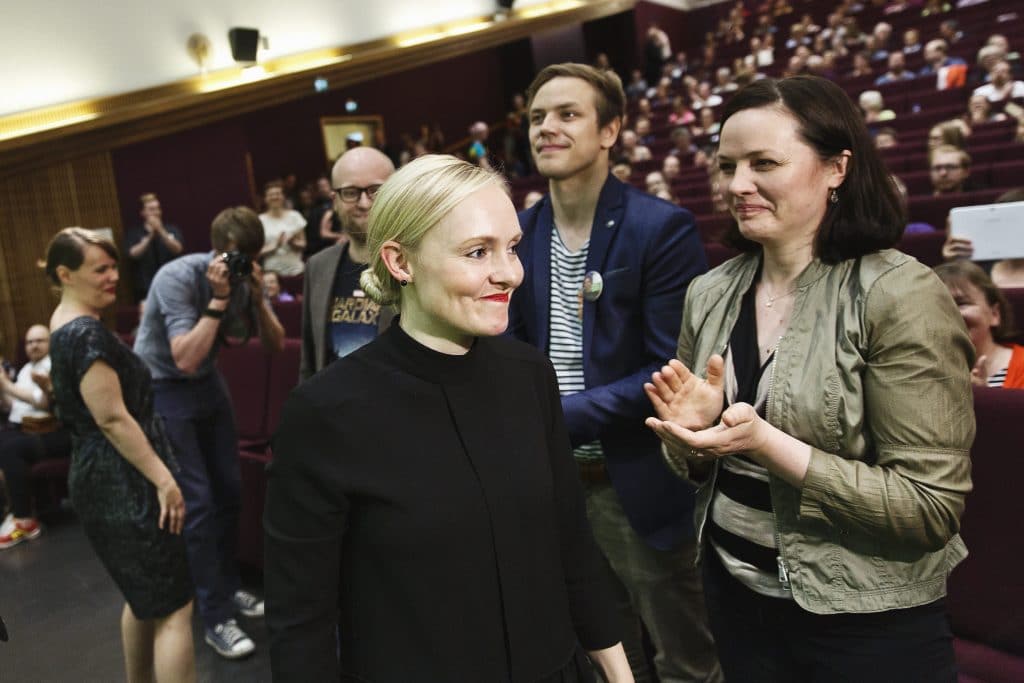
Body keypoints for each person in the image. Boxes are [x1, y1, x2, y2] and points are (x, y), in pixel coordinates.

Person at [644, 75, 973, 681]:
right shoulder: (710, 291)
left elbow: (929, 507)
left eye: (764, 163)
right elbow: (691, 464)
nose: (737, 185)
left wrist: (765, 443)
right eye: (728, 166)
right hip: (734, 592)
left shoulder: (899, 293)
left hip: (864, 618)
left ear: (836, 168)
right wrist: (689, 441)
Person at [265, 154, 633, 682]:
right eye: (477, 252)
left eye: (512, 247)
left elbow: (570, 538)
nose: (509, 273)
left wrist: (616, 668)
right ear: (400, 262)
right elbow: (302, 621)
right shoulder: (326, 413)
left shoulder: (529, 374)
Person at [511, 63, 720, 683]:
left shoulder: (659, 227)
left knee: (685, 661)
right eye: (537, 117)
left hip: (636, 481)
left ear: (609, 131)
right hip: (553, 485)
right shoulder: (519, 233)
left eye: (567, 114)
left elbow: (670, 366)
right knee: (606, 660)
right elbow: (514, 352)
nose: (546, 128)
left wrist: (558, 416)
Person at [44, 228, 195, 681]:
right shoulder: (85, 332)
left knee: (143, 598)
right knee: (174, 608)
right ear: (65, 274)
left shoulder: (62, 322)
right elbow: (112, 419)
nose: (113, 276)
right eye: (100, 270)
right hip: (125, 478)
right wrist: (164, 480)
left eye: (113, 267)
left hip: (100, 473)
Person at [134, 207, 284, 659]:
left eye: (249, 258)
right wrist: (218, 299)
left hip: (207, 385)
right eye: (235, 257)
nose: (240, 265)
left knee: (230, 491)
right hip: (165, 386)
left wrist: (256, 297)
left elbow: (275, 345)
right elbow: (184, 358)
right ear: (217, 249)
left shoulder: (245, 280)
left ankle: (227, 584)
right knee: (197, 502)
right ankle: (216, 616)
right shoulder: (177, 277)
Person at [301, 147, 396, 380]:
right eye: (351, 192)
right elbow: (309, 362)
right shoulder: (317, 266)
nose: (364, 203)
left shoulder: (419, 264)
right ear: (335, 201)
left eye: (375, 190)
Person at [0, 325, 71, 548]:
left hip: (52, 431)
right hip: (21, 427)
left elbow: (43, 403)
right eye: (30, 342)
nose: (33, 345)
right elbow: (14, 406)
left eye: (40, 341)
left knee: (11, 449)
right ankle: (10, 511)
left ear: (50, 343)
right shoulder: (25, 369)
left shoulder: (53, 365)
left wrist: (6, 384)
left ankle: (24, 520)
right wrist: (3, 389)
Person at [935, 261, 1024, 388]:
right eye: (939, 306)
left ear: (994, 314)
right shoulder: (918, 368)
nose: (950, 314)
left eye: (961, 303)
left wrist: (984, 396)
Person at [125, 193, 184, 305]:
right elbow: (133, 254)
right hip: (146, 288)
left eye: (158, 209)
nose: (156, 212)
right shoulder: (134, 233)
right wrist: (150, 235)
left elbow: (178, 249)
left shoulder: (171, 229)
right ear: (143, 213)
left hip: (171, 284)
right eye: (151, 209)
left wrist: (161, 231)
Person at [258, 181, 307, 277]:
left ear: (283, 197)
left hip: (296, 271)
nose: (274, 197)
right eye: (271, 195)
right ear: (265, 198)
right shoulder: (260, 220)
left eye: (278, 194)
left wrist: (292, 242)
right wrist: (275, 245)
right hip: (272, 274)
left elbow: (304, 244)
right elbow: (257, 252)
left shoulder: (295, 216)